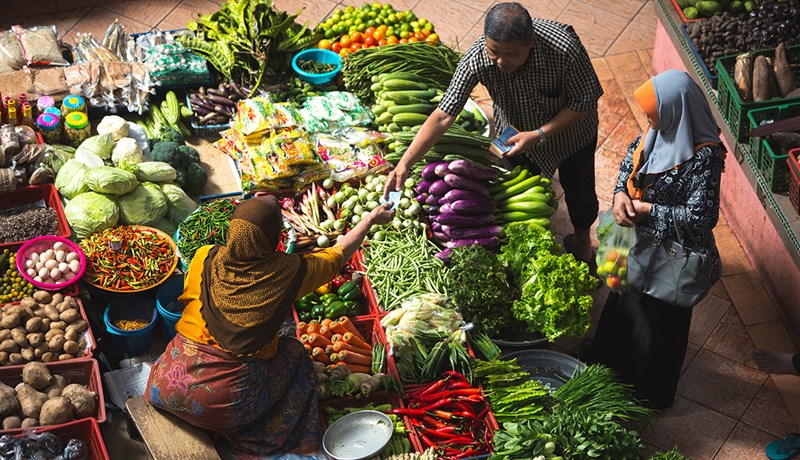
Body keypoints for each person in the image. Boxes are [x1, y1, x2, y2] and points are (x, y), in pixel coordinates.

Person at [145, 195, 394, 456]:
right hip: (227, 410)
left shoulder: (203, 256)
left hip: (164, 387)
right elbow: (336, 256)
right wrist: (369, 221)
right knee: (294, 352)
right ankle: (262, 436)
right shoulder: (288, 272)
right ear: (273, 237)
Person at [383, 2, 604, 264]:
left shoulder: (563, 48)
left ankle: (582, 244)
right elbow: (444, 114)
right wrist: (404, 164)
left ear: (530, 42)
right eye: (494, 51)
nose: (500, 61)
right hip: (513, 133)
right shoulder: (478, 57)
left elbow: (584, 100)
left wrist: (538, 134)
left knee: (581, 195)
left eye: (510, 54)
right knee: (513, 187)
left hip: (571, 134)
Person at [588, 69, 725, 409]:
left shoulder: (705, 157)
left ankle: (649, 393)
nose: (648, 120)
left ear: (676, 110)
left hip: (669, 258)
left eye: (653, 113)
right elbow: (628, 164)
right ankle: (608, 371)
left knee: (659, 324)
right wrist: (621, 194)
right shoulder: (657, 131)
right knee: (624, 303)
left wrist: (649, 210)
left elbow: (701, 220)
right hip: (635, 245)